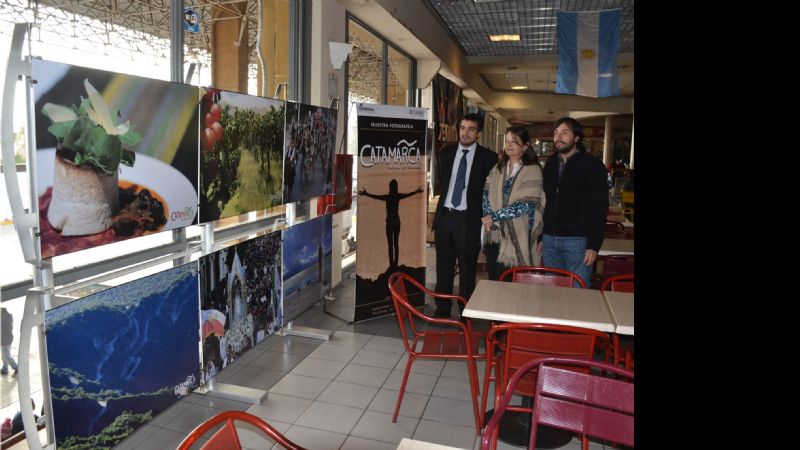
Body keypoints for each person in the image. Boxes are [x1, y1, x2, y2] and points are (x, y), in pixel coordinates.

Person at [432, 113, 499, 318]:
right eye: (462, 128)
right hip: (446, 217)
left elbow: (490, 192)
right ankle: (442, 309)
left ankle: (466, 312)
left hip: (469, 220)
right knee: (443, 266)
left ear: (478, 133)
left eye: (471, 129)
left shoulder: (489, 158)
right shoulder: (446, 153)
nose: (465, 133)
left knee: (467, 268)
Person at [536, 117, 609, 287]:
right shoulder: (551, 163)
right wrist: (542, 236)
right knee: (553, 292)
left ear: (577, 137)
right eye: (555, 133)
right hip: (549, 239)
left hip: (578, 240)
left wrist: (593, 245)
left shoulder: (593, 166)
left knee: (578, 293)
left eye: (564, 132)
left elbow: (599, 208)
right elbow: (546, 202)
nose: (558, 137)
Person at [481, 126, 545, 280]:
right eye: (507, 141)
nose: (509, 145)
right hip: (495, 235)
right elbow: (486, 191)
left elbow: (527, 204)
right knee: (494, 282)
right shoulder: (498, 167)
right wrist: (488, 216)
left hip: (517, 236)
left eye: (514, 142)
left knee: (509, 285)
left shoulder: (532, 170)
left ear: (525, 145)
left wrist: (494, 216)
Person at [359, 180, 423, 268]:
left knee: (390, 245)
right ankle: (396, 263)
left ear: (390, 187)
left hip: (389, 223)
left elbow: (376, 197)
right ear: (396, 187)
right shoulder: (397, 196)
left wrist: (366, 194)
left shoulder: (387, 197)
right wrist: (417, 191)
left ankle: (391, 264)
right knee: (396, 244)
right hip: (397, 223)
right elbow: (408, 194)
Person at [1, 307, 18, 376]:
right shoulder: (9, 317)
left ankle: (16, 367)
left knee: (6, 355)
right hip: (9, 338)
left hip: (4, 339)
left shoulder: (2, 319)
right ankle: (5, 368)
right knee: (4, 354)